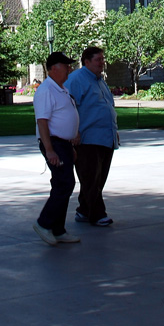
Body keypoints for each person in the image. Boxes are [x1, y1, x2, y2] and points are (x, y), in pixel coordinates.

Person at [65, 45, 119, 227]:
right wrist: (74, 132)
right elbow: (68, 108)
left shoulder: (100, 81)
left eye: (102, 59)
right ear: (86, 62)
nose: (102, 63)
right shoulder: (76, 80)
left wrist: (114, 132)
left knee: (98, 178)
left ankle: (83, 210)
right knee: (90, 178)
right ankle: (97, 214)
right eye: (98, 60)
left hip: (105, 138)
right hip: (87, 139)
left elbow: (107, 107)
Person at [32, 52, 80, 246]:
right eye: (65, 65)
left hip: (64, 144)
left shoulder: (61, 89)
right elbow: (42, 121)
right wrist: (50, 149)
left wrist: (71, 140)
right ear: (52, 68)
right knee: (65, 183)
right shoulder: (46, 91)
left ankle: (58, 230)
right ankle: (44, 223)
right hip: (54, 143)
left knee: (62, 184)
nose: (69, 68)